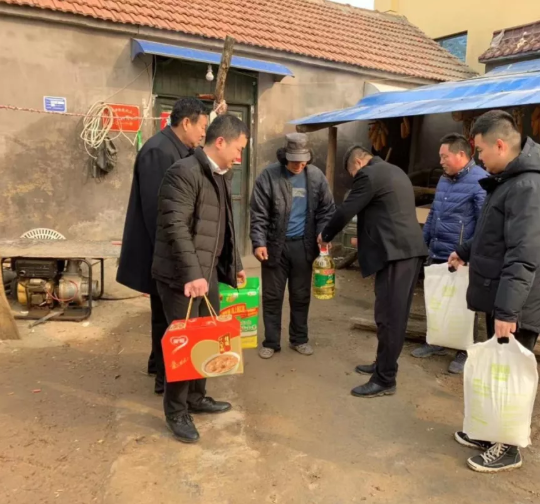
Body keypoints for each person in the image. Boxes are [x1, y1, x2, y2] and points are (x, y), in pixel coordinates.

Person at [449, 110, 540, 473]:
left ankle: (508, 447)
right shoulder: (510, 180)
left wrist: (508, 311)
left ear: (499, 144)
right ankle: (490, 432)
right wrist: (465, 251)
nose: (479, 158)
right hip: (502, 294)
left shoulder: (530, 186)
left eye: (480, 150)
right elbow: (494, 233)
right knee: (497, 371)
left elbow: (524, 253)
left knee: (510, 376)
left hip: (518, 302)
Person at [152, 114, 249, 443]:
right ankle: (176, 411)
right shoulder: (183, 172)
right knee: (184, 343)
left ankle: (196, 397)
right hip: (181, 276)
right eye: (238, 148)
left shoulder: (220, 174)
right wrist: (193, 275)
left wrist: (234, 263)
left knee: (207, 338)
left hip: (206, 273)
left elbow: (224, 224)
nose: (239, 156)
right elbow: (175, 226)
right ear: (220, 142)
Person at [319, 146, 428, 398]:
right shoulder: (394, 171)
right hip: (401, 253)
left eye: (353, 173)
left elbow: (347, 210)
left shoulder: (369, 175)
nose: (355, 178)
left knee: (390, 318)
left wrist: (325, 234)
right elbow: (386, 214)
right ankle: (383, 364)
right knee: (387, 315)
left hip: (397, 254)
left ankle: (385, 379)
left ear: (358, 162)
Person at [117, 98, 209, 395]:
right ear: (186, 123)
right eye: (202, 127)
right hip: (160, 251)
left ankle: (157, 365)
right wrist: (177, 258)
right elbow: (158, 213)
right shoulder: (159, 151)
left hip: (167, 251)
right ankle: (163, 376)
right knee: (167, 315)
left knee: (164, 313)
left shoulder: (178, 149)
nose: (204, 134)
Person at [250, 133, 335, 359]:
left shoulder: (315, 177)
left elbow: (327, 210)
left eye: (303, 160)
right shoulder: (269, 176)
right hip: (274, 246)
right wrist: (258, 242)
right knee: (272, 296)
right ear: (284, 157)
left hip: (304, 247)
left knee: (300, 295)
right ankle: (271, 342)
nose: (299, 165)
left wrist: (323, 233)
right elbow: (258, 213)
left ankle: (299, 339)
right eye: (294, 160)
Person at [412, 133, 487, 374]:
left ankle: (465, 350)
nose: (441, 161)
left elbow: (484, 225)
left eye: (445, 156)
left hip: (461, 256)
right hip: (438, 251)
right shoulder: (444, 180)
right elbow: (433, 215)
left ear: (461, 155)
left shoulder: (481, 181)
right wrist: (423, 244)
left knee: (464, 307)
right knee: (437, 299)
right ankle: (436, 342)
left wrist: (469, 253)